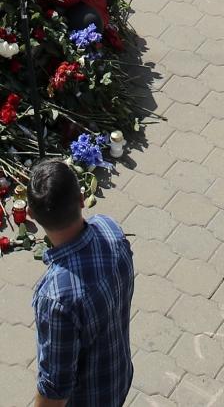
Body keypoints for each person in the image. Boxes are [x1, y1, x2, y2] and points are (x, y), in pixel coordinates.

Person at [28, 158, 134, 407]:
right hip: (117, 378)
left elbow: (55, 387)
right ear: (81, 198)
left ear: (31, 215)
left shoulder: (55, 298)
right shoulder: (110, 230)